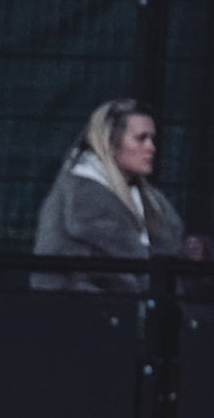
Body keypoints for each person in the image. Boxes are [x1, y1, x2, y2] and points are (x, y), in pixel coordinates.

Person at [31, 99, 182, 293]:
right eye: (140, 138)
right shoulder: (83, 193)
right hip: (83, 306)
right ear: (111, 143)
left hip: (125, 306)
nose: (151, 147)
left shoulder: (147, 198)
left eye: (152, 139)